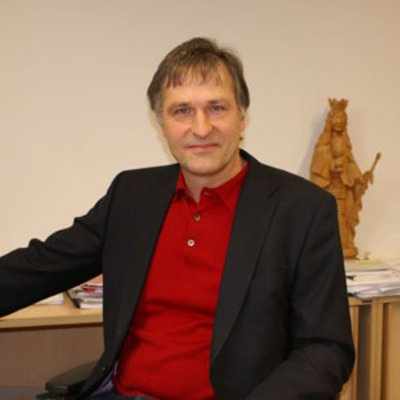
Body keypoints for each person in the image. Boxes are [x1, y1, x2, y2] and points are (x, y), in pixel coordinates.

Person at [0, 38, 354, 400]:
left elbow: (326, 349)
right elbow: (43, 264)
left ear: (242, 115)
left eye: (216, 108)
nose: (201, 128)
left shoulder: (302, 209)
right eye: (182, 111)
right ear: (161, 122)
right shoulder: (132, 195)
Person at [310, 98, 380, 258]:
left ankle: (345, 244)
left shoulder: (345, 144)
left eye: (342, 118)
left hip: (343, 192)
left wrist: (360, 179)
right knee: (329, 220)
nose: (339, 121)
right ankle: (330, 248)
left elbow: (351, 166)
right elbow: (318, 165)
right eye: (336, 117)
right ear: (330, 120)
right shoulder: (323, 144)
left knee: (344, 221)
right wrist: (332, 165)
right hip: (328, 192)